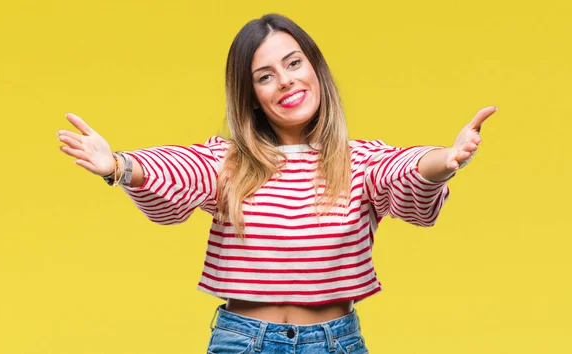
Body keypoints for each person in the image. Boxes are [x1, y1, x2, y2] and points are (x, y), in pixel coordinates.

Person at [56, 13, 496, 354]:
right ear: (251, 97)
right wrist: (118, 166)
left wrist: (446, 160)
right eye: (265, 76)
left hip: (334, 342)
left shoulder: (359, 161)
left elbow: (406, 171)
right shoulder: (228, 162)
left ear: (315, 69)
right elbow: (176, 173)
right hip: (241, 340)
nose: (285, 80)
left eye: (293, 63)